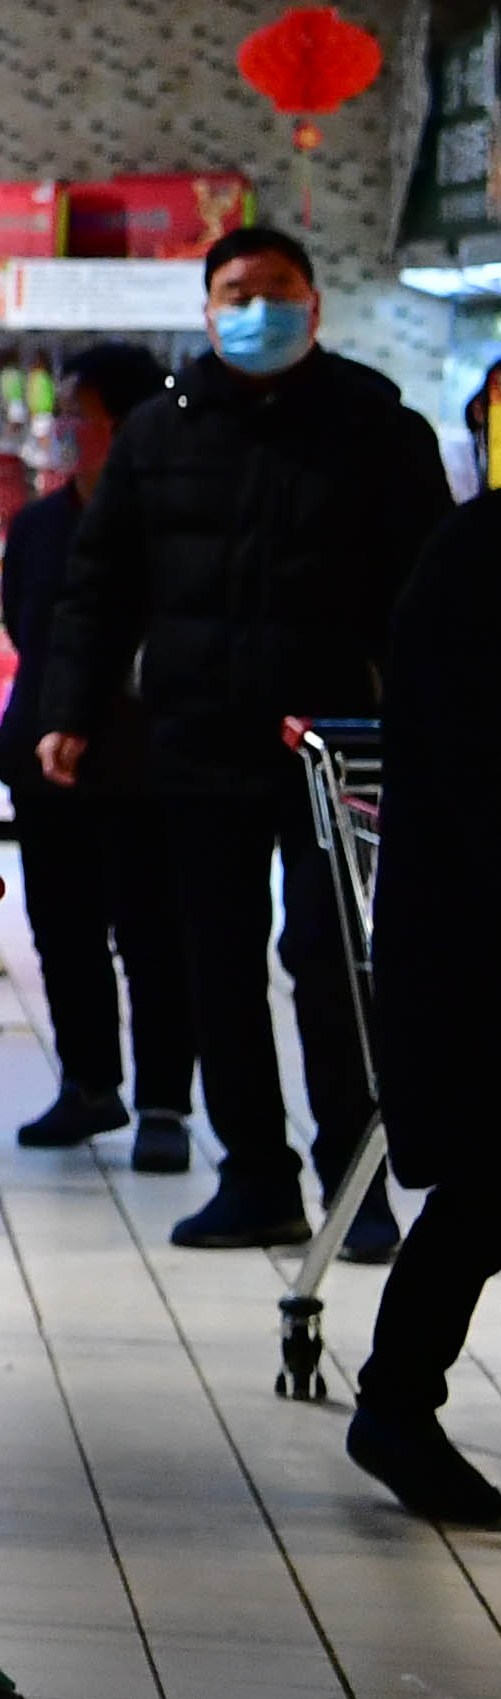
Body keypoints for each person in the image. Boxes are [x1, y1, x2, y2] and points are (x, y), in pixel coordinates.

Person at [36, 225, 453, 1249]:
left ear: (314, 304)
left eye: (275, 288)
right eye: (235, 291)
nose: (256, 307)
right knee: (215, 963)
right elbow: (101, 583)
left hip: (335, 745)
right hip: (196, 740)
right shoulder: (159, 433)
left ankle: (357, 1187)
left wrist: (439, 725)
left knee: (330, 958)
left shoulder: (377, 427)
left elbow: (431, 595)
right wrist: (71, 708)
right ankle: (256, 1178)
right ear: (207, 309)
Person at [0, 344, 195, 1167]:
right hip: (45, 767)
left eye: (79, 413)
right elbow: (23, 627)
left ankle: (164, 1104)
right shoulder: (39, 527)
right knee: (63, 932)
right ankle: (88, 1084)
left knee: (153, 937)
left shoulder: (170, 527)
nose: (64, 428)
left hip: (143, 771)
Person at [349, 461, 500, 1521]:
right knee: (492, 1177)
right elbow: (466, 762)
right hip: (472, 927)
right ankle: (397, 1404)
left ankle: (398, 1402)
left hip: (466, 914)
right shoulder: (476, 558)